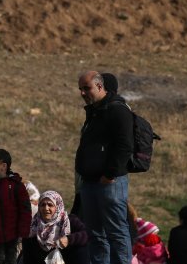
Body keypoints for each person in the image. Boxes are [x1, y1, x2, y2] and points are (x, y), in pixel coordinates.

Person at [75, 71, 134, 264]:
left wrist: (109, 174)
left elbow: (125, 145)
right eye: (80, 89)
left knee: (116, 232)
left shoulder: (117, 110)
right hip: (90, 182)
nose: (82, 93)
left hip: (110, 183)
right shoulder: (94, 111)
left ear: (100, 86)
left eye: (86, 88)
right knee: (95, 234)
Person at [0, 148, 32, 264]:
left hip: (13, 233)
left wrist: (23, 231)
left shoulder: (16, 185)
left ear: (3, 166)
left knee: (11, 259)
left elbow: (25, 209)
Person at [21, 191, 90, 264]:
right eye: (43, 205)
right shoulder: (33, 227)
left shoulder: (70, 221)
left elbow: (87, 234)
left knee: (81, 246)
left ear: (58, 206)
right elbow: (28, 258)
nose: (46, 208)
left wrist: (69, 239)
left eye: (50, 205)